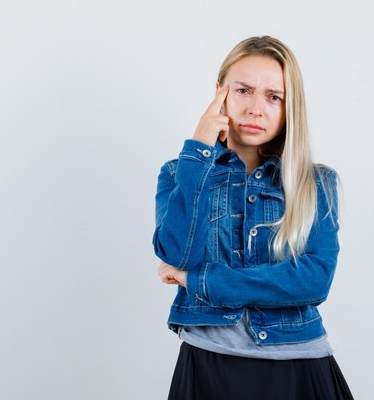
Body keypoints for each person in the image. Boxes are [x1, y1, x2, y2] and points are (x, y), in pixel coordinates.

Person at [152, 35, 355, 400]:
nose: (255, 108)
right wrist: (198, 150)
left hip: (299, 367)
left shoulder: (316, 183)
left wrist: (202, 281)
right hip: (208, 365)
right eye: (243, 90)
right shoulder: (178, 173)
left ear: (290, 106)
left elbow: (313, 281)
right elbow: (176, 255)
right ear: (220, 92)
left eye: (273, 97)